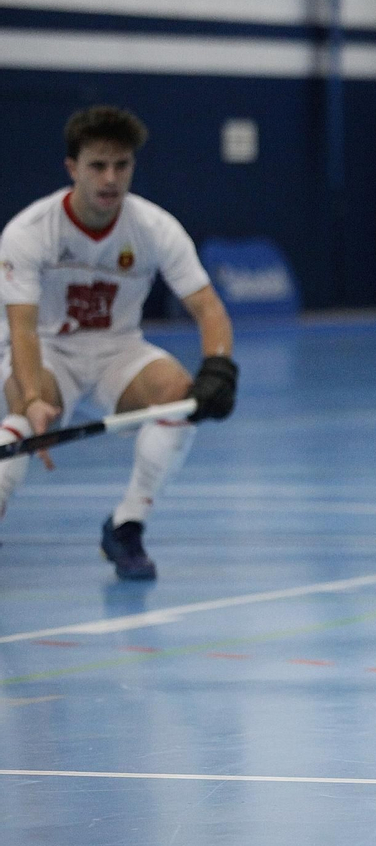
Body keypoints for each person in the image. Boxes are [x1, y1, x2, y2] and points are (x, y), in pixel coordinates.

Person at [0, 106, 239, 579]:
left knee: (177, 393)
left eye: (122, 165)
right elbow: (22, 327)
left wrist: (218, 368)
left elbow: (208, 307)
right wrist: (30, 399)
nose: (110, 178)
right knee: (24, 415)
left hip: (118, 351)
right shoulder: (28, 233)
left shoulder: (155, 228)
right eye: (97, 165)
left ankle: (127, 526)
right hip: (49, 351)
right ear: (72, 168)